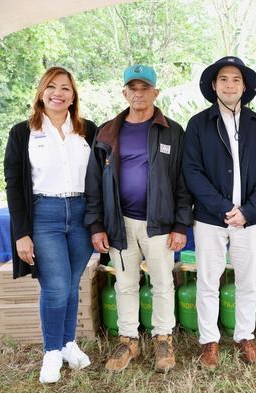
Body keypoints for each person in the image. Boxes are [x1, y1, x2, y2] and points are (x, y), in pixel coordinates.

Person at [85, 64, 192, 373]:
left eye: (145, 87)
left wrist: (181, 224)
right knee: (126, 283)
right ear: (124, 93)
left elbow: (183, 182)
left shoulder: (172, 130)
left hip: (159, 223)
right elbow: (93, 183)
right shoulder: (107, 132)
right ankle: (128, 339)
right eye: (133, 88)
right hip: (120, 223)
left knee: (162, 282)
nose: (139, 93)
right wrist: (96, 225)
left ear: (156, 93)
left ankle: (163, 338)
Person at [182, 56, 256, 369]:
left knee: (248, 281)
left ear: (244, 86)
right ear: (214, 85)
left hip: (248, 221)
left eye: (236, 79)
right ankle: (209, 342)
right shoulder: (198, 124)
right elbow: (192, 171)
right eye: (223, 79)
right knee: (208, 281)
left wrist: (248, 212)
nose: (230, 84)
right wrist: (224, 208)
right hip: (211, 218)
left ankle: (244, 337)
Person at [4, 67, 97, 383]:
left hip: (82, 213)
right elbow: (14, 185)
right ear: (41, 92)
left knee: (72, 284)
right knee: (55, 286)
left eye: (66, 88)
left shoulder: (88, 131)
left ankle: (69, 344)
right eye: (52, 87)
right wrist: (21, 233)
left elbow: (100, 178)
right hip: (45, 214)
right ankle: (51, 352)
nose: (59, 93)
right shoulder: (23, 133)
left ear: (73, 96)